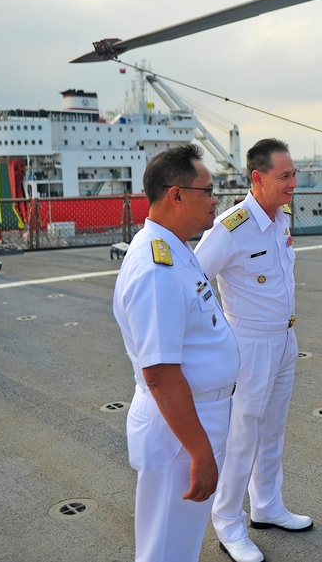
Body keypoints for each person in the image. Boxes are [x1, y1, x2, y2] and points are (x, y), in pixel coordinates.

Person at [112, 144, 239, 562]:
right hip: (180, 431)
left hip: (194, 418)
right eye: (208, 190)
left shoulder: (176, 248)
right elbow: (160, 374)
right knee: (166, 549)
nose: (215, 199)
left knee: (179, 543)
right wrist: (200, 452)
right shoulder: (156, 269)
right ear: (177, 194)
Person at [195, 138, 311, 562]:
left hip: (284, 339)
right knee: (242, 436)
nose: (293, 183)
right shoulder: (232, 226)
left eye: (294, 174)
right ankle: (228, 524)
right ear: (258, 178)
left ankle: (267, 505)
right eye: (285, 176)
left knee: (272, 429)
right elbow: (195, 279)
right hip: (249, 343)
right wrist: (218, 334)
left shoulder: (278, 219)